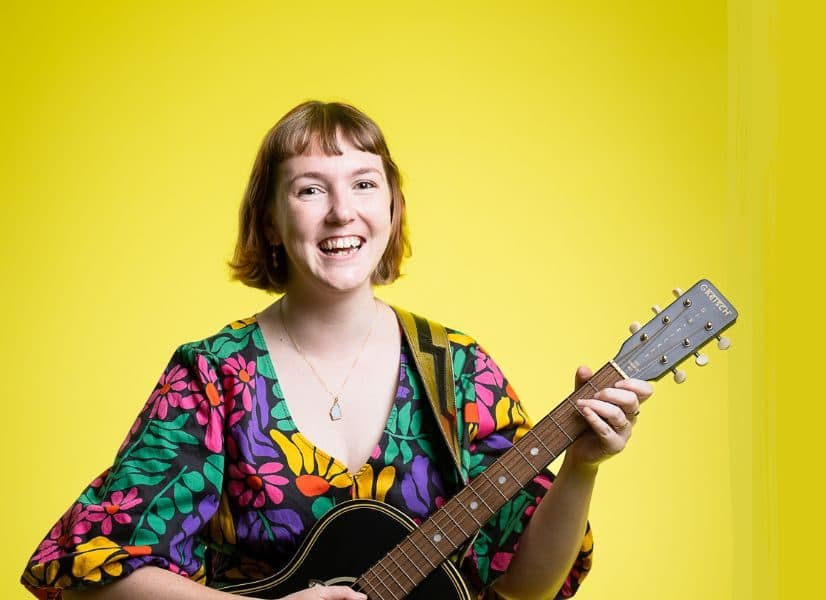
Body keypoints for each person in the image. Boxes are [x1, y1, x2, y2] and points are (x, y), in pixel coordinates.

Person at [21, 101, 652, 600]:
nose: (342, 212)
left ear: (392, 208)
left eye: (364, 184)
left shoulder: (456, 368)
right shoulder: (215, 376)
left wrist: (582, 466)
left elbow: (526, 585)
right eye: (309, 190)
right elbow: (91, 573)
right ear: (270, 221)